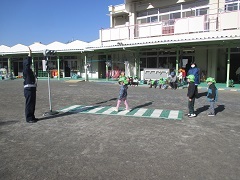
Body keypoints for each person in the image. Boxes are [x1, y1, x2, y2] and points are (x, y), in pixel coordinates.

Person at [23, 47, 38, 123]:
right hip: (28, 89)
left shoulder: (30, 71)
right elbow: (27, 64)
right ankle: (29, 118)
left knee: (32, 104)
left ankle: (32, 116)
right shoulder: (26, 70)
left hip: (32, 89)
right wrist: (29, 55)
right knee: (29, 104)